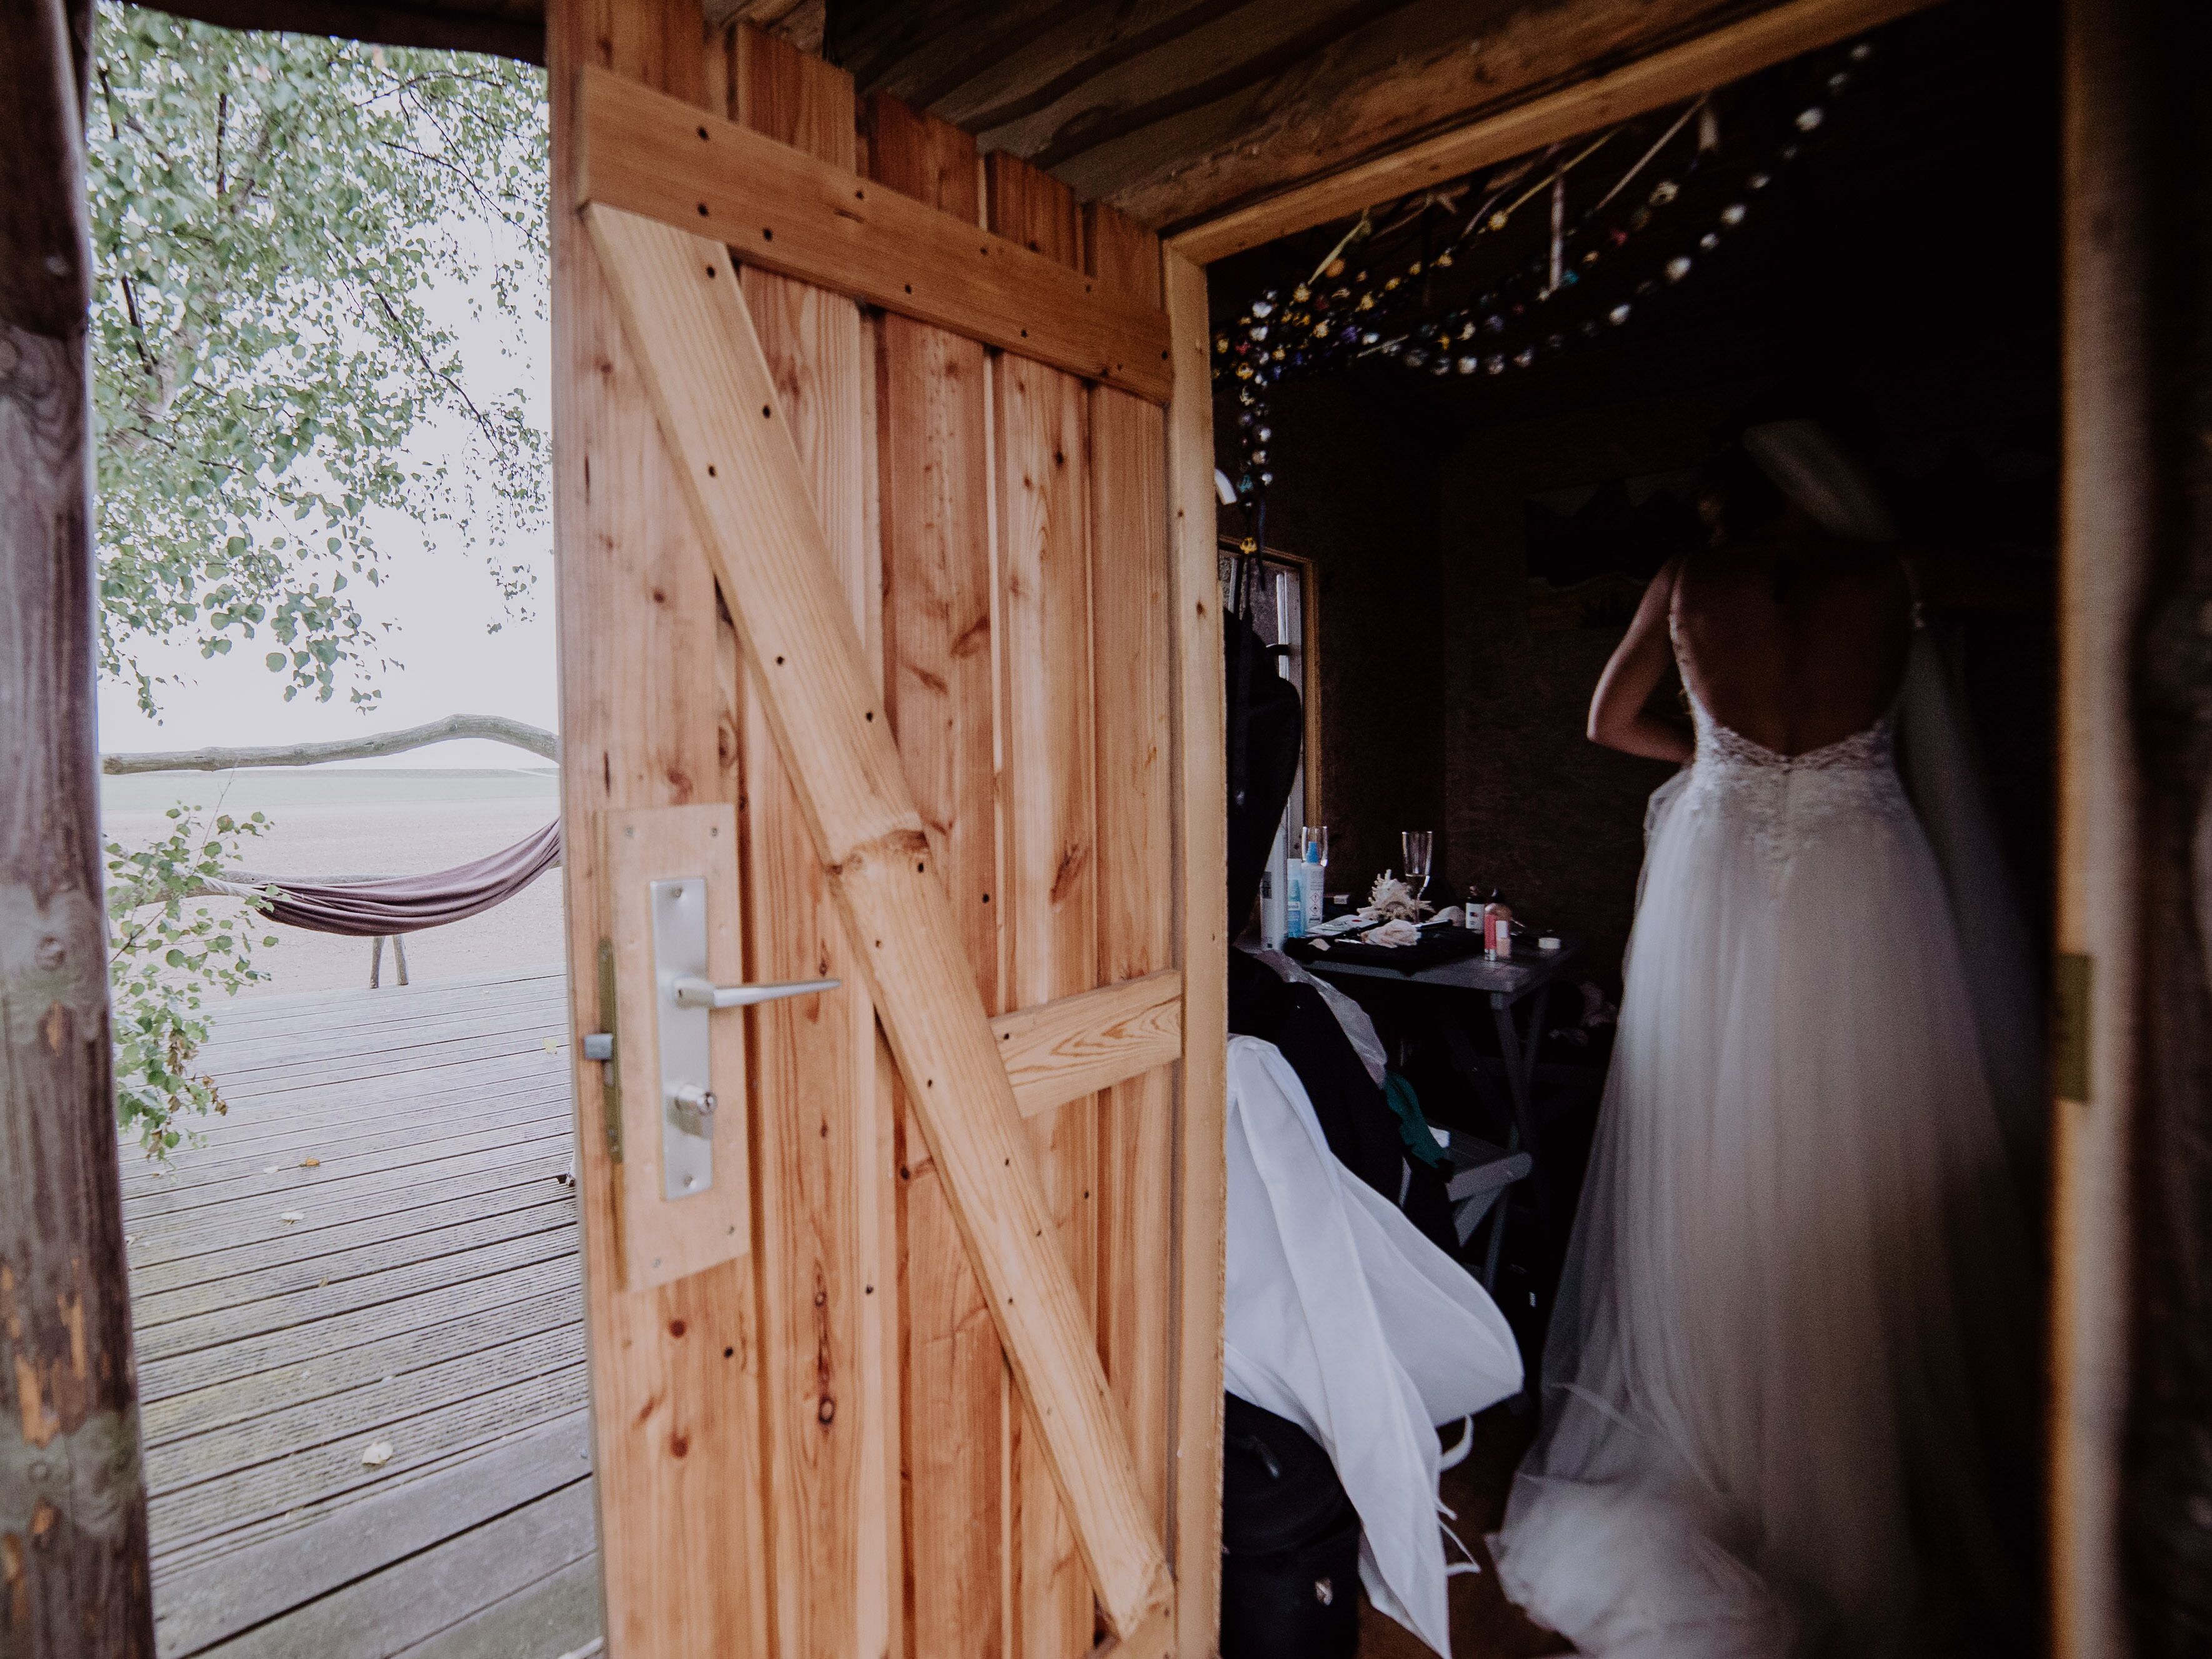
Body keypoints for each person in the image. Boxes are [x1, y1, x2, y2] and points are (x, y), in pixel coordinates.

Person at [1490, 420, 2041, 1657]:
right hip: (1861, 872)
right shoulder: (1893, 575)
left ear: (1731, 506)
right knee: (1864, 1119)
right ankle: (1861, 1442)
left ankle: (1728, 1426)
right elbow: (2049, 585)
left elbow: (1605, 720)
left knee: (1714, 1134)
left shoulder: (1689, 586)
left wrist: (1721, 762)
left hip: (1726, 866)